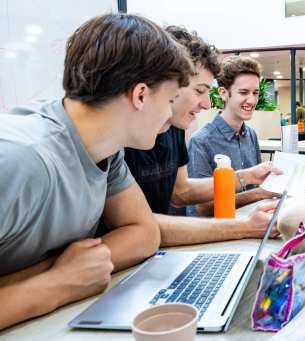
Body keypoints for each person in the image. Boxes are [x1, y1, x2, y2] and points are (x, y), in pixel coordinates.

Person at [0, 13, 193, 329]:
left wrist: (70, 269)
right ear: (140, 95)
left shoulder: (106, 151)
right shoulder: (19, 160)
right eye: (170, 100)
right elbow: (68, 277)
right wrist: (57, 282)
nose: (171, 114)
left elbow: (145, 233)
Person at [122, 26, 280, 246]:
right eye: (199, 91)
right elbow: (138, 225)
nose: (207, 103)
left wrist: (246, 177)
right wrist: (245, 225)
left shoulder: (175, 127)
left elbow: (181, 191)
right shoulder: (121, 141)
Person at [187, 56, 267, 217]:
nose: (252, 100)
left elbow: (258, 186)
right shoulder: (201, 141)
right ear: (223, 93)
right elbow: (203, 207)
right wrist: (260, 194)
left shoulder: (251, 135)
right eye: (244, 92)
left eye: (255, 93)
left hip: (249, 226)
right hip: (214, 235)